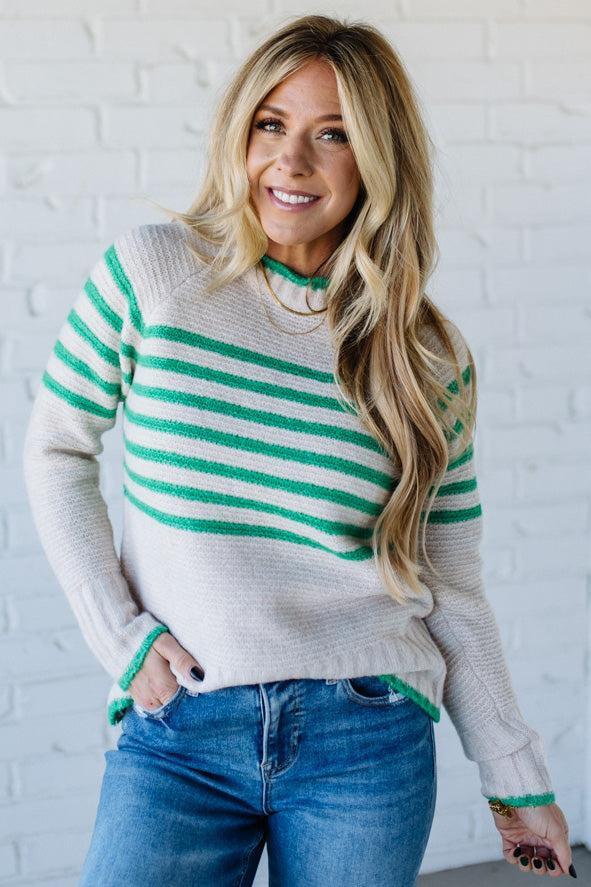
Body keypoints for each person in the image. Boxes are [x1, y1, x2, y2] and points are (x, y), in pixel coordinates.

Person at [22, 14, 575, 886]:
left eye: (334, 135)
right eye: (271, 125)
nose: (292, 162)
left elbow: (453, 585)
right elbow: (57, 450)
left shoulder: (426, 354)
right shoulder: (155, 275)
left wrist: (515, 780)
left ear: (378, 160)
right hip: (180, 732)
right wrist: (119, 632)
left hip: (365, 740)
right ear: (239, 133)